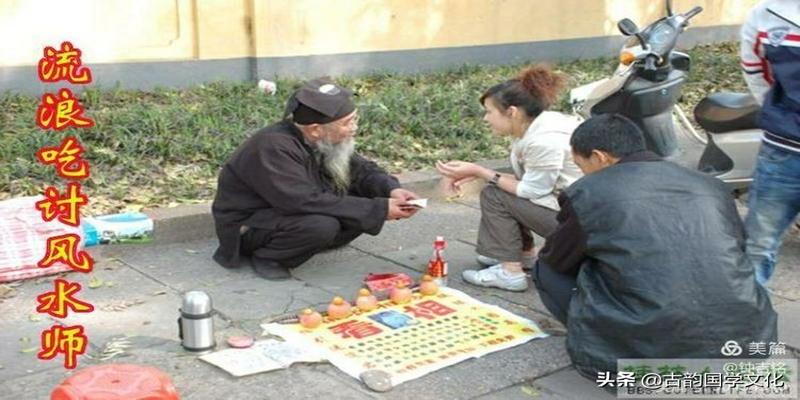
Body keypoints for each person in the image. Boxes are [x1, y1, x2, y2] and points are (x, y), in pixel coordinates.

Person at [535, 114, 777, 380]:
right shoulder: (711, 185)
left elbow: (557, 260)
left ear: (599, 156)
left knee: (545, 269)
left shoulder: (589, 191)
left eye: (581, 165)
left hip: (651, 352)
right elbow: (736, 248)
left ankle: (603, 341)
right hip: (747, 339)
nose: (582, 173)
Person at [212, 78, 420, 280]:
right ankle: (269, 257)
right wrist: (379, 209)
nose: (355, 128)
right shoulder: (273, 147)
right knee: (322, 224)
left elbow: (363, 170)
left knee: (361, 198)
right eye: (348, 123)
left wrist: (390, 190)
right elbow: (300, 200)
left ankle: (307, 243)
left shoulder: (323, 139)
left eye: (355, 119)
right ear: (315, 129)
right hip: (250, 222)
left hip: (285, 212)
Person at [435, 64, 582, 292]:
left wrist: (481, 173)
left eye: (489, 111)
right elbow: (534, 181)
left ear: (512, 112)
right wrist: (477, 174)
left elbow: (530, 191)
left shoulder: (544, 140)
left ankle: (510, 272)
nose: (486, 119)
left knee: (495, 195)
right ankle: (522, 257)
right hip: (574, 213)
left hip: (578, 225)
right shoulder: (540, 124)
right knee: (499, 189)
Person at [740, 0, 800, 286]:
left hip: (782, 148)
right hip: (783, 151)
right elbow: (754, 71)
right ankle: (749, 330)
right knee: (757, 248)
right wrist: (784, 117)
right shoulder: (764, 15)